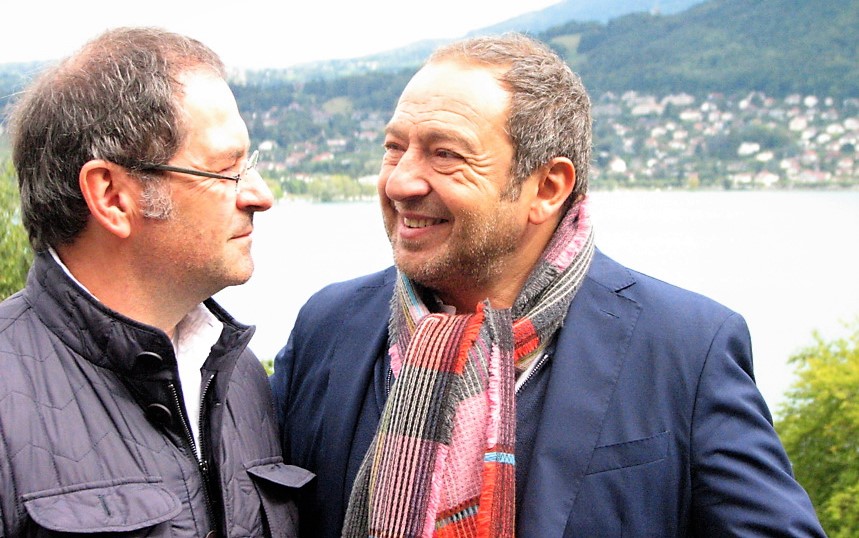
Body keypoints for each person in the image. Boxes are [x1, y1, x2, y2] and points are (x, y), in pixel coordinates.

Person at [271, 33, 826, 537]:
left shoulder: (685, 347)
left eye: (445, 154)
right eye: (395, 147)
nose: (400, 180)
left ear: (547, 187)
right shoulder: (330, 325)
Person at [0, 27, 311, 537]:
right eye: (226, 170)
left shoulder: (238, 377)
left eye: (249, 163)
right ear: (113, 196)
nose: (261, 194)